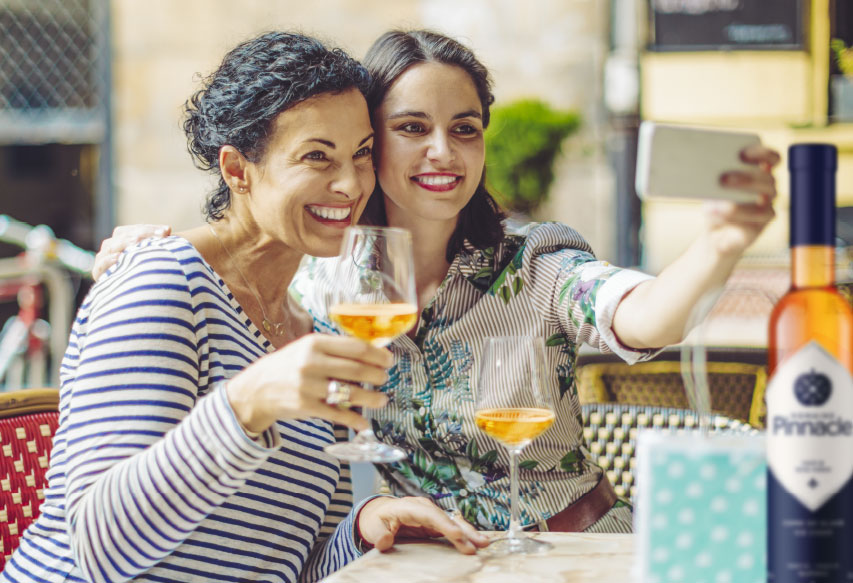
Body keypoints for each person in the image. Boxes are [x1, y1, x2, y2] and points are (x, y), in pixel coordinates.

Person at [91, 30, 779, 535]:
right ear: (372, 142)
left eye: (465, 129)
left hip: (572, 550)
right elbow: (244, 250)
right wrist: (152, 246)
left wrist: (719, 244)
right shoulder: (322, 280)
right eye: (412, 127)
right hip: (435, 563)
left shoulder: (535, 261)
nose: (443, 152)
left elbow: (643, 315)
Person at [1, 31, 487, 583]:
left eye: (361, 154)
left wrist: (361, 528)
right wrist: (245, 404)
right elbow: (100, 546)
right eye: (316, 157)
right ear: (236, 171)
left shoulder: (313, 331)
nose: (351, 183)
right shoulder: (160, 284)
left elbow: (288, 567)